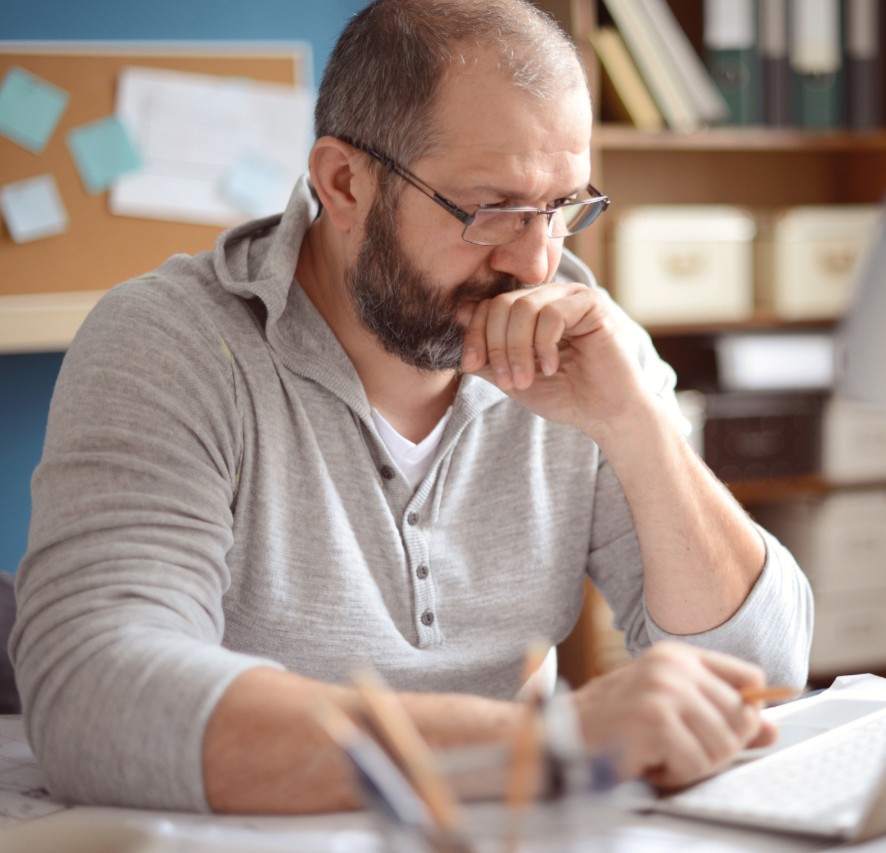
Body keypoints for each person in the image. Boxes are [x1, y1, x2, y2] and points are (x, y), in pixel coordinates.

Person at [9, 0, 813, 814]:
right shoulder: (171, 343)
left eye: (564, 207)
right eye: (492, 209)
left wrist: (637, 427)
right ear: (344, 183)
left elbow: (765, 677)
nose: (536, 261)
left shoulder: (581, 336)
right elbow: (97, 701)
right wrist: (539, 747)